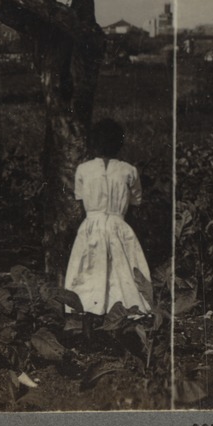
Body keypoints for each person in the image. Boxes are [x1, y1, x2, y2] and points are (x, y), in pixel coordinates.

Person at [63, 118, 152, 316]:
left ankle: (89, 312)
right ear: (119, 144)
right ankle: (120, 311)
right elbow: (135, 205)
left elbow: (80, 203)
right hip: (119, 225)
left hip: (91, 226)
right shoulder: (129, 171)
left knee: (89, 269)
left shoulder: (84, 170)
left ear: (93, 143)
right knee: (121, 270)